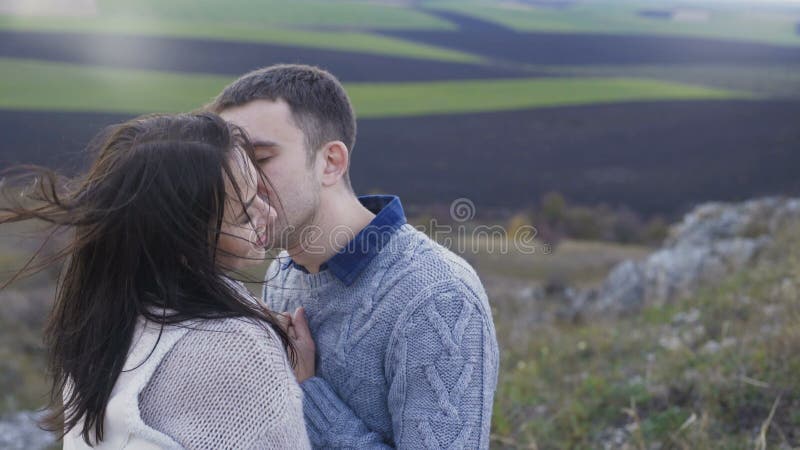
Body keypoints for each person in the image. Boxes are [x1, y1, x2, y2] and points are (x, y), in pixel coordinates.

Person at [211, 64, 499, 449]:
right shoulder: (280, 271)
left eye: (260, 160)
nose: (239, 184)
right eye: (230, 166)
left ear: (330, 162)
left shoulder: (439, 298)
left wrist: (307, 394)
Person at [0, 112, 311, 449]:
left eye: (260, 195)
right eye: (246, 214)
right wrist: (302, 387)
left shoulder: (96, 324)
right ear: (182, 242)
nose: (270, 214)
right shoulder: (238, 346)